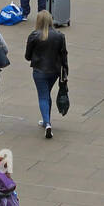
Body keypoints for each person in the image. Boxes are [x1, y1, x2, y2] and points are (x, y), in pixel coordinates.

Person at [24, 10, 67, 139]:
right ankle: (45, 119)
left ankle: (47, 123)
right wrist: (65, 72)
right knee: (46, 94)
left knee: (43, 96)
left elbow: (27, 56)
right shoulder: (59, 36)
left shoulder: (34, 35)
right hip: (54, 71)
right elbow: (64, 55)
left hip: (39, 70)